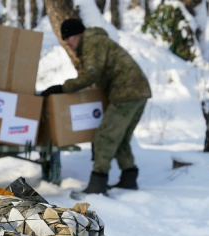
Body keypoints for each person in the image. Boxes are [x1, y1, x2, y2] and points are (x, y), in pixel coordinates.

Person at [42, 18, 152, 198]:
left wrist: (62, 88)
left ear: (77, 34)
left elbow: (92, 72)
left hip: (127, 93)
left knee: (105, 136)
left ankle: (98, 182)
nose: (67, 42)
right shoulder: (95, 41)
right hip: (137, 91)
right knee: (120, 138)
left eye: (68, 37)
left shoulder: (92, 42)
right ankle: (129, 177)